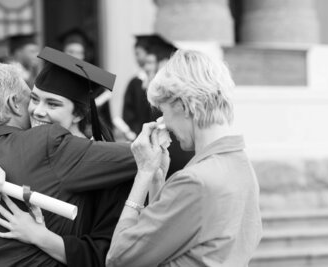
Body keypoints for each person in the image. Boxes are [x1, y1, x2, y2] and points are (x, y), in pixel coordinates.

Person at [0, 47, 136, 266]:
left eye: (53, 103)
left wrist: (41, 237)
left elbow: (108, 250)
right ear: (15, 104)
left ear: (79, 113)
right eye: (33, 99)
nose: (38, 111)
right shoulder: (8, 150)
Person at [106, 50, 263, 267]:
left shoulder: (195, 181)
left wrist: (143, 173)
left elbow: (119, 258)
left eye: (163, 110)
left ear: (183, 105)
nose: (163, 121)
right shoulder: (241, 165)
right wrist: (157, 180)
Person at [123, 34, 194, 177]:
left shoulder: (175, 89)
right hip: (156, 147)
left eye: (150, 62)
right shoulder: (137, 84)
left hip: (177, 151)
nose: (146, 66)